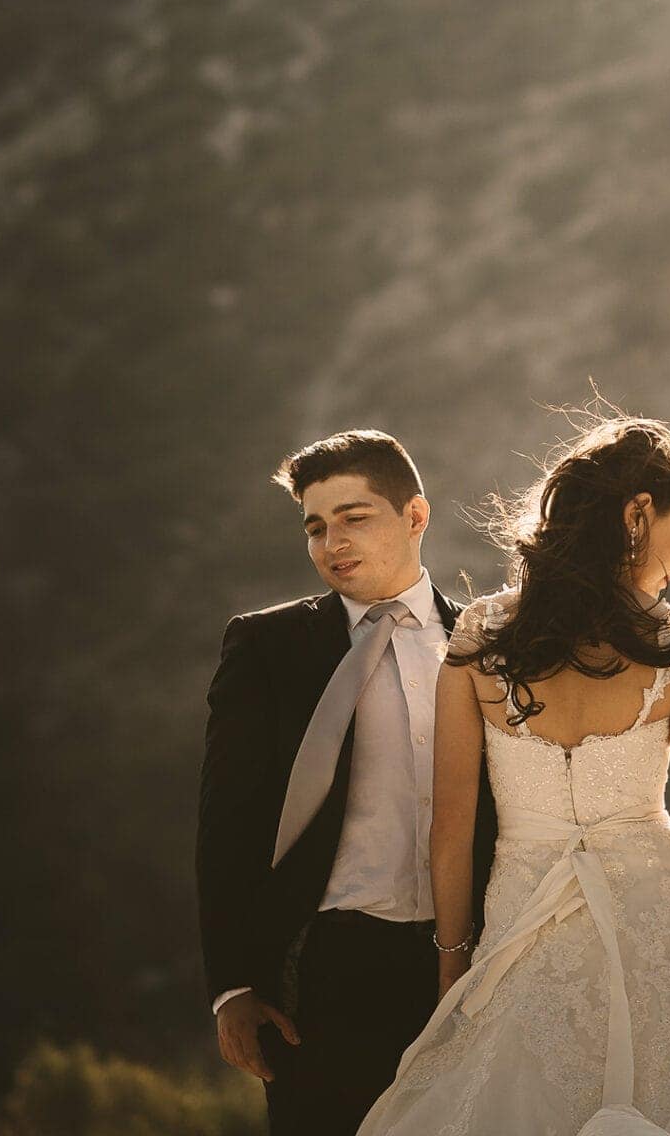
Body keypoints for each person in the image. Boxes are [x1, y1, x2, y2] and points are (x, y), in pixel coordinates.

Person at [355, 412, 670, 1136]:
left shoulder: (479, 637)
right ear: (637, 514)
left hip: (524, 942)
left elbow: (450, 828)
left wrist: (454, 972)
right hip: (669, 938)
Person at [196, 429, 497, 1136]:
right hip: (325, 966)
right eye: (315, 527)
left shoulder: (489, 642)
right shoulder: (267, 646)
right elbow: (227, 821)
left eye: (354, 518)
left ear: (415, 516)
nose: (332, 543)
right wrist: (232, 985)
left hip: (479, 961)